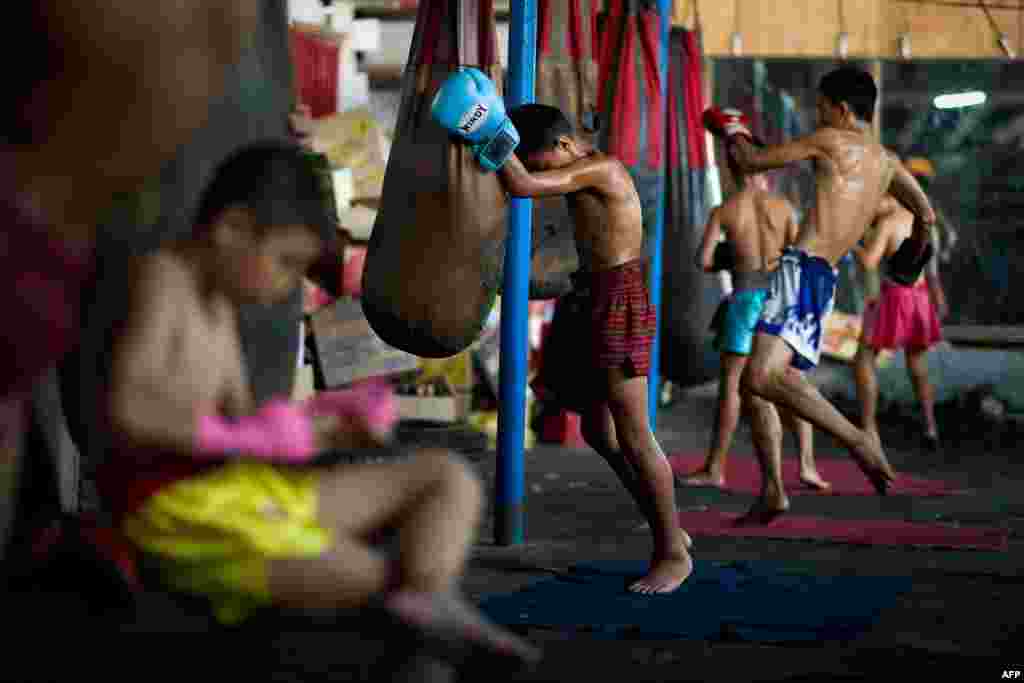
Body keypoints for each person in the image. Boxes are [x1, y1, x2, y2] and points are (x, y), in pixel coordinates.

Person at [93, 142, 540, 667]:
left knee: (448, 478)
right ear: (232, 229)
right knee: (372, 579)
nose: (288, 284)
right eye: (286, 263)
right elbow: (127, 410)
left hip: (241, 493)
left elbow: (246, 427)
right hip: (174, 515)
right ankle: (417, 610)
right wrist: (240, 437)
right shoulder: (163, 281)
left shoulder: (220, 304)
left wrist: (329, 424)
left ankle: (427, 598)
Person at [432, 70, 693, 594]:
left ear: (567, 143)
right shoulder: (578, 167)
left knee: (636, 434)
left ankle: (672, 552)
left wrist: (487, 131)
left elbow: (524, 186)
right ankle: (670, 528)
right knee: (599, 430)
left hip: (620, 297)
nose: (531, 167)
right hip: (593, 295)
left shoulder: (603, 169)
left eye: (539, 155)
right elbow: (529, 176)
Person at [704, 65, 937, 522]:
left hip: (800, 271)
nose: (819, 115)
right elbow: (925, 216)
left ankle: (857, 440)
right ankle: (772, 489)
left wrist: (732, 131)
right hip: (822, 279)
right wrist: (914, 251)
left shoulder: (831, 140)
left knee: (757, 380)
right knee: (768, 384)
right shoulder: (888, 162)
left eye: (822, 107)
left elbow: (752, 163)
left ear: (843, 110)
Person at [679, 159, 830, 492]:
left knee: (731, 386)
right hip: (781, 301)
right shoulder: (784, 207)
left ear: (734, 173)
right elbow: (802, 258)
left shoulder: (726, 210)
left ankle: (715, 468)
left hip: (745, 298)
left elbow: (703, 260)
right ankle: (807, 466)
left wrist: (733, 255)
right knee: (792, 381)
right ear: (764, 171)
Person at [853, 193, 946, 451]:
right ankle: (930, 425)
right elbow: (930, 266)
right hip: (920, 296)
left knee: (864, 357)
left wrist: (853, 241)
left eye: (881, 197)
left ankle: (868, 428)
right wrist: (938, 294)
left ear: (894, 198)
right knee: (917, 363)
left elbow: (869, 261)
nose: (877, 203)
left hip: (895, 297)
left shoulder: (889, 223)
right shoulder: (927, 224)